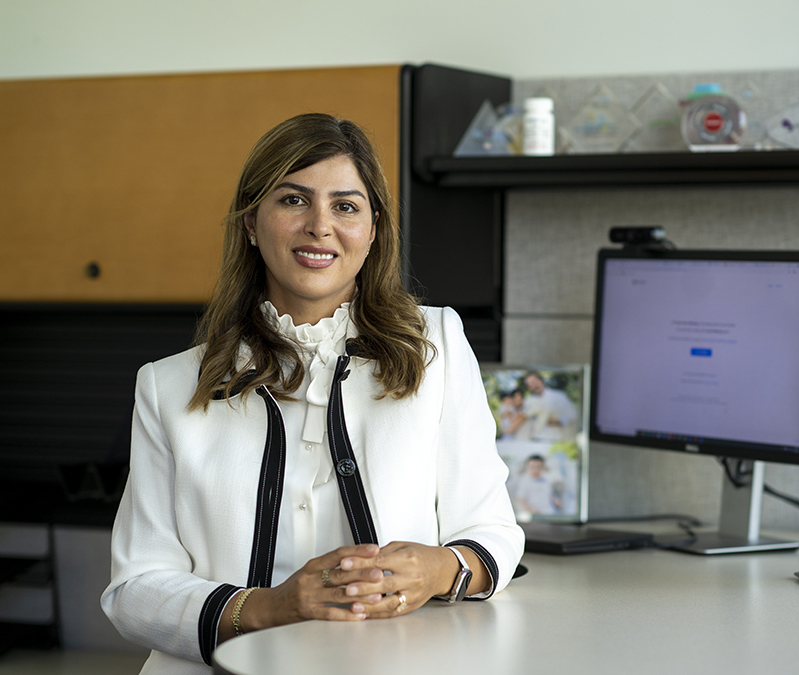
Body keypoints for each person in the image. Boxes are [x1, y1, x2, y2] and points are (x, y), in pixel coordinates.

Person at [101, 113, 525, 675]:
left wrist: (439, 570)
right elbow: (134, 590)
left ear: (373, 230)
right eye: (294, 201)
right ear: (252, 222)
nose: (320, 226)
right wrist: (269, 608)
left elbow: (492, 530)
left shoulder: (437, 345)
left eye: (345, 206)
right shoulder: (168, 385)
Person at [521, 371, 578, 442]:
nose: (533, 385)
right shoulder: (528, 401)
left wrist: (559, 421)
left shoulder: (559, 396)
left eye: (534, 381)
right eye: (530, 384)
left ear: (540, 381)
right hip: (535, 439)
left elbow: (573, 415)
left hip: (556, 439)